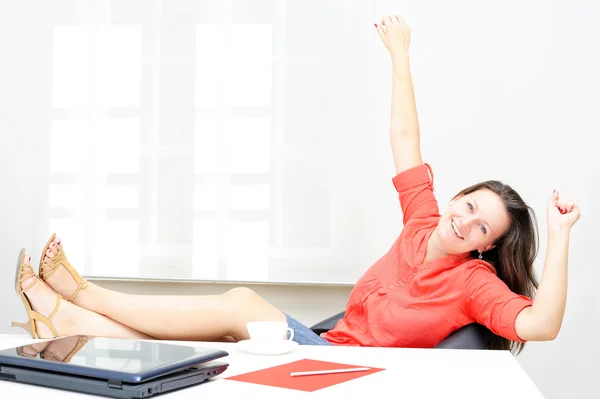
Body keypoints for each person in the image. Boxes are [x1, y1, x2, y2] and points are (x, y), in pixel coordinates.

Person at [12, 15, 580, 354]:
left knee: (240, 303)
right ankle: (64, 319)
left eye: (481, 226)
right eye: (470, 204)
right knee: (198, 352)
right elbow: (405, 138)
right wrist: (400, 56)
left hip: (349, 376)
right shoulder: (423, 221)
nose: (465, 220)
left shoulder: (473, 283)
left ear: (484, 244)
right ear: (457, 196)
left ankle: (81, 294)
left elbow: (540, 324)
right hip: (321, 353)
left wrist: (561, 235)